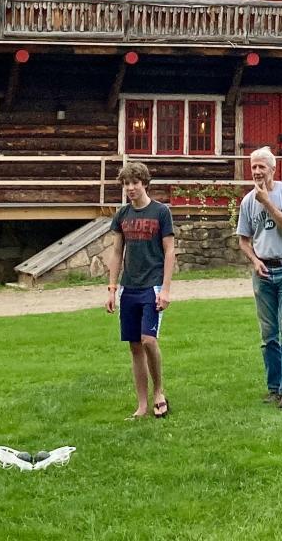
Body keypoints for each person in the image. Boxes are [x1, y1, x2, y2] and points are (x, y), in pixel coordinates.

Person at [104, 161, 176, 419]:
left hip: (153, 286)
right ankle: (142, 404)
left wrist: (166, 289)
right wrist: (112, 289)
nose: (130, 188)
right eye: (126, 183)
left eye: (134, 182)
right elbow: (116, 252)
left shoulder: (160, 212)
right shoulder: (122, 215)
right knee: (135, 346)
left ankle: (159, 392)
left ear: (144, 183)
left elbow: (169, 251)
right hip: (129, 287)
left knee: (149, 340)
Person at [235, 146, 282, 410]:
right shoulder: (247, 201)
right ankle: (274, 388)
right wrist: (254, 261)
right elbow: (243, 240)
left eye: (261, 166)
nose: (256, 172)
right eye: (253, 167)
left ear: (273, 169)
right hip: (263, 272)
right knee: (268, 335)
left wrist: (267, 202)